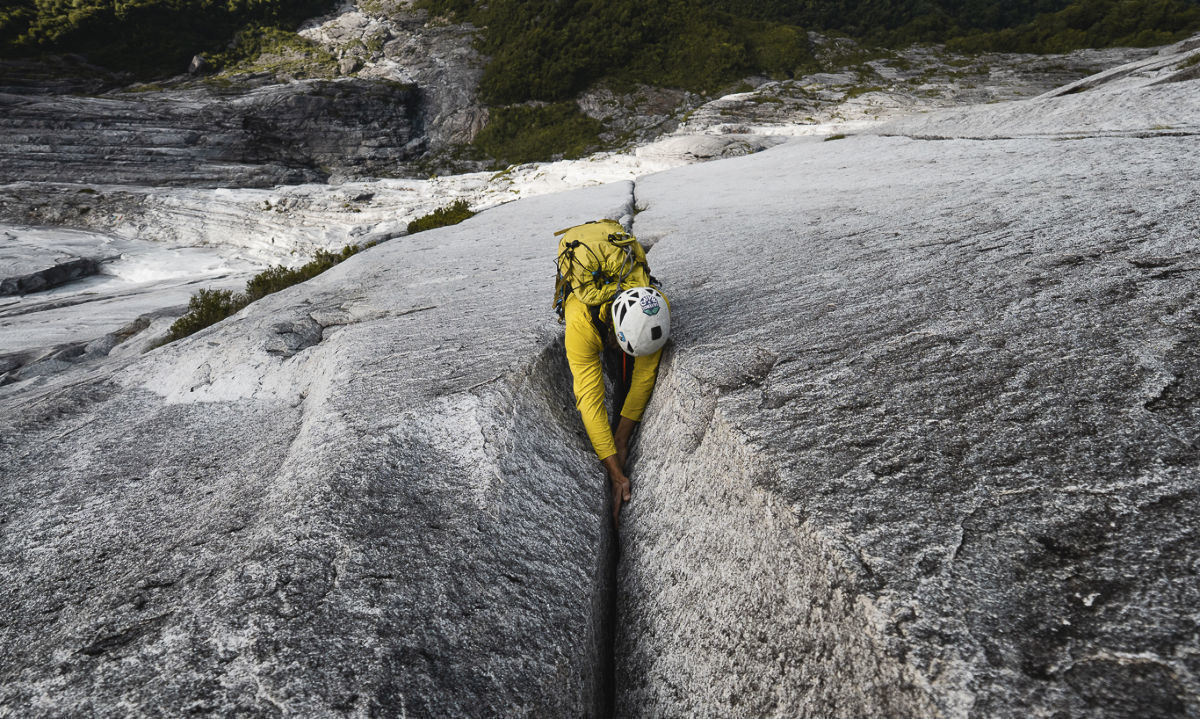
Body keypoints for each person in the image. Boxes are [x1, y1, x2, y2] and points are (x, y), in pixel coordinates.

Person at [558, 221, 671, 525]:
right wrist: (615, 472)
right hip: (588, 298)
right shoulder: (580, 325)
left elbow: (644, 377)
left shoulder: (655, 309)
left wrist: (622, 438)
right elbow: (589, 399)